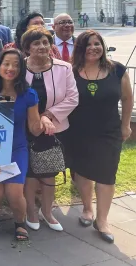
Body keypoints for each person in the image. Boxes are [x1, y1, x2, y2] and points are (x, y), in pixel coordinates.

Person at [0, 49, 55, 241]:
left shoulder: (29, 95)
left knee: (14, 193)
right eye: (6, 64)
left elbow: (34, 128)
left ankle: (19, 222)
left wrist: (44, 121)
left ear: (22, 69)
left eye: (16, 65)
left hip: (16, 149)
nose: (10, 68)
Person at [65, 30, 134, 243]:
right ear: (80, 49)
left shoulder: (117, 70)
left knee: (106, 175)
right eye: (88, 44)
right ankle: (87, 209)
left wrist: (125, 126)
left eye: (97, 43)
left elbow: (127, 97)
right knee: (83, 173)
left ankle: (102, 220)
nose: (93, 47)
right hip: (78, 131)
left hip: (109, 131)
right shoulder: (71, 71)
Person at [20, 27, 78, 233]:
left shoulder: (63, 68)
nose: (42, 46)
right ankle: (31, 212)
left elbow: (72, 97)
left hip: (53, 128)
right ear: (27, 48)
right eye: (36, 43)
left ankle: (47, 211)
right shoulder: (19, 68)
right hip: (23, 128)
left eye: (45, 42)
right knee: (29, 173)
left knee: (48, 172)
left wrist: (47, 116)